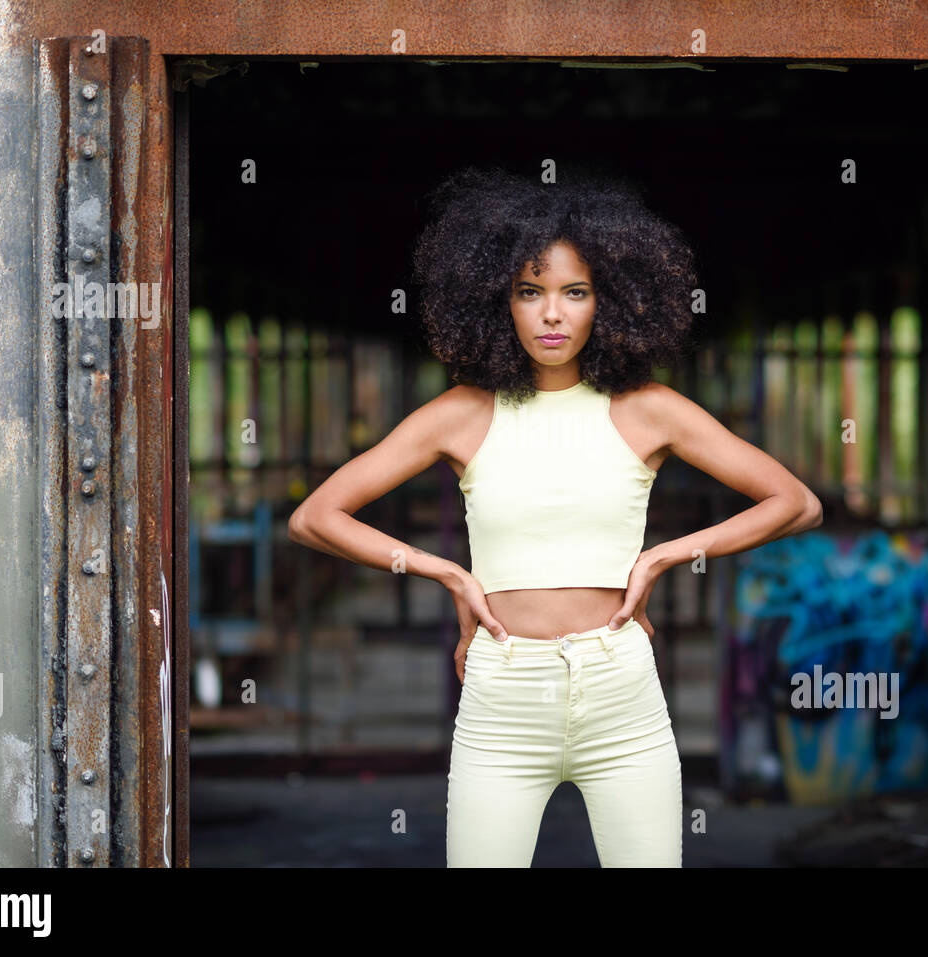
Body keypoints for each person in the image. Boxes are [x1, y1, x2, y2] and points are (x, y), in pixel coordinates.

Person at [287, 165, 823, 867]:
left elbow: (797, 503)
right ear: (495, 302)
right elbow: (316, 515)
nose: (551, 314)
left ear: (610, 301)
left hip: (620, 691)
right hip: (502, 695)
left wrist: (662, 555)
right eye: (529, 292)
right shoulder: (461, 413)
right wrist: (446, 572)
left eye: (575, 292)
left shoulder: (648, 409)